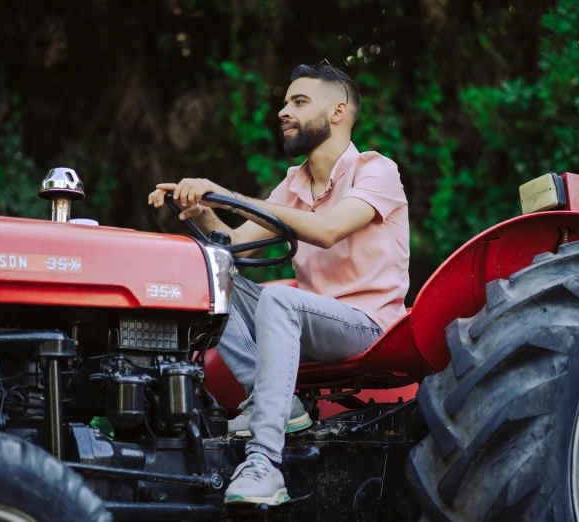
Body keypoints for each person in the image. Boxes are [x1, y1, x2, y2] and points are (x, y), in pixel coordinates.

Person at [148, 62, 409, 506]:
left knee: (280, 299)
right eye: (285, 102)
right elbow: (234, 247)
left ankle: (265, 463)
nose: (283, 111)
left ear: (338, 112)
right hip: (307, 323)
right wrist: (202, 210)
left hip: (368, 326)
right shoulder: (295, 183)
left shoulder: (376, 170)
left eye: (299, 102)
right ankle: (275, 404)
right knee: (211, 272)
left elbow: (326, 229)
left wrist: (227, 195)